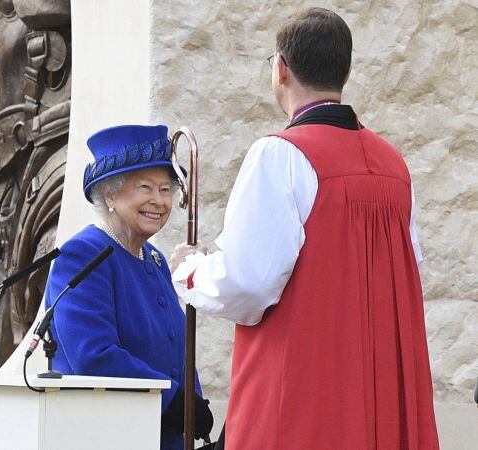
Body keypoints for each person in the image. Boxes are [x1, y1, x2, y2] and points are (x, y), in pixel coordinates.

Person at [170, 8, 439, 450]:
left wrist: (190, 272)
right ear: (347, 71)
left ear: (280, 70)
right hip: (379, 403)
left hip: (304, 401)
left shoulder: (280, 155)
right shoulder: (395, 166)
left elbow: (248, 284)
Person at [45, 125, 214, 450]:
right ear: (109, 194)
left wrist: (194, 401)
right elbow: (93, 356)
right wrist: (173, 399)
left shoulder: (155, 259)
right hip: (109, 436)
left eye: (166, 190)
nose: (159, 201)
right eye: (145, 188)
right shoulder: (83, 255)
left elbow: (177, 347)